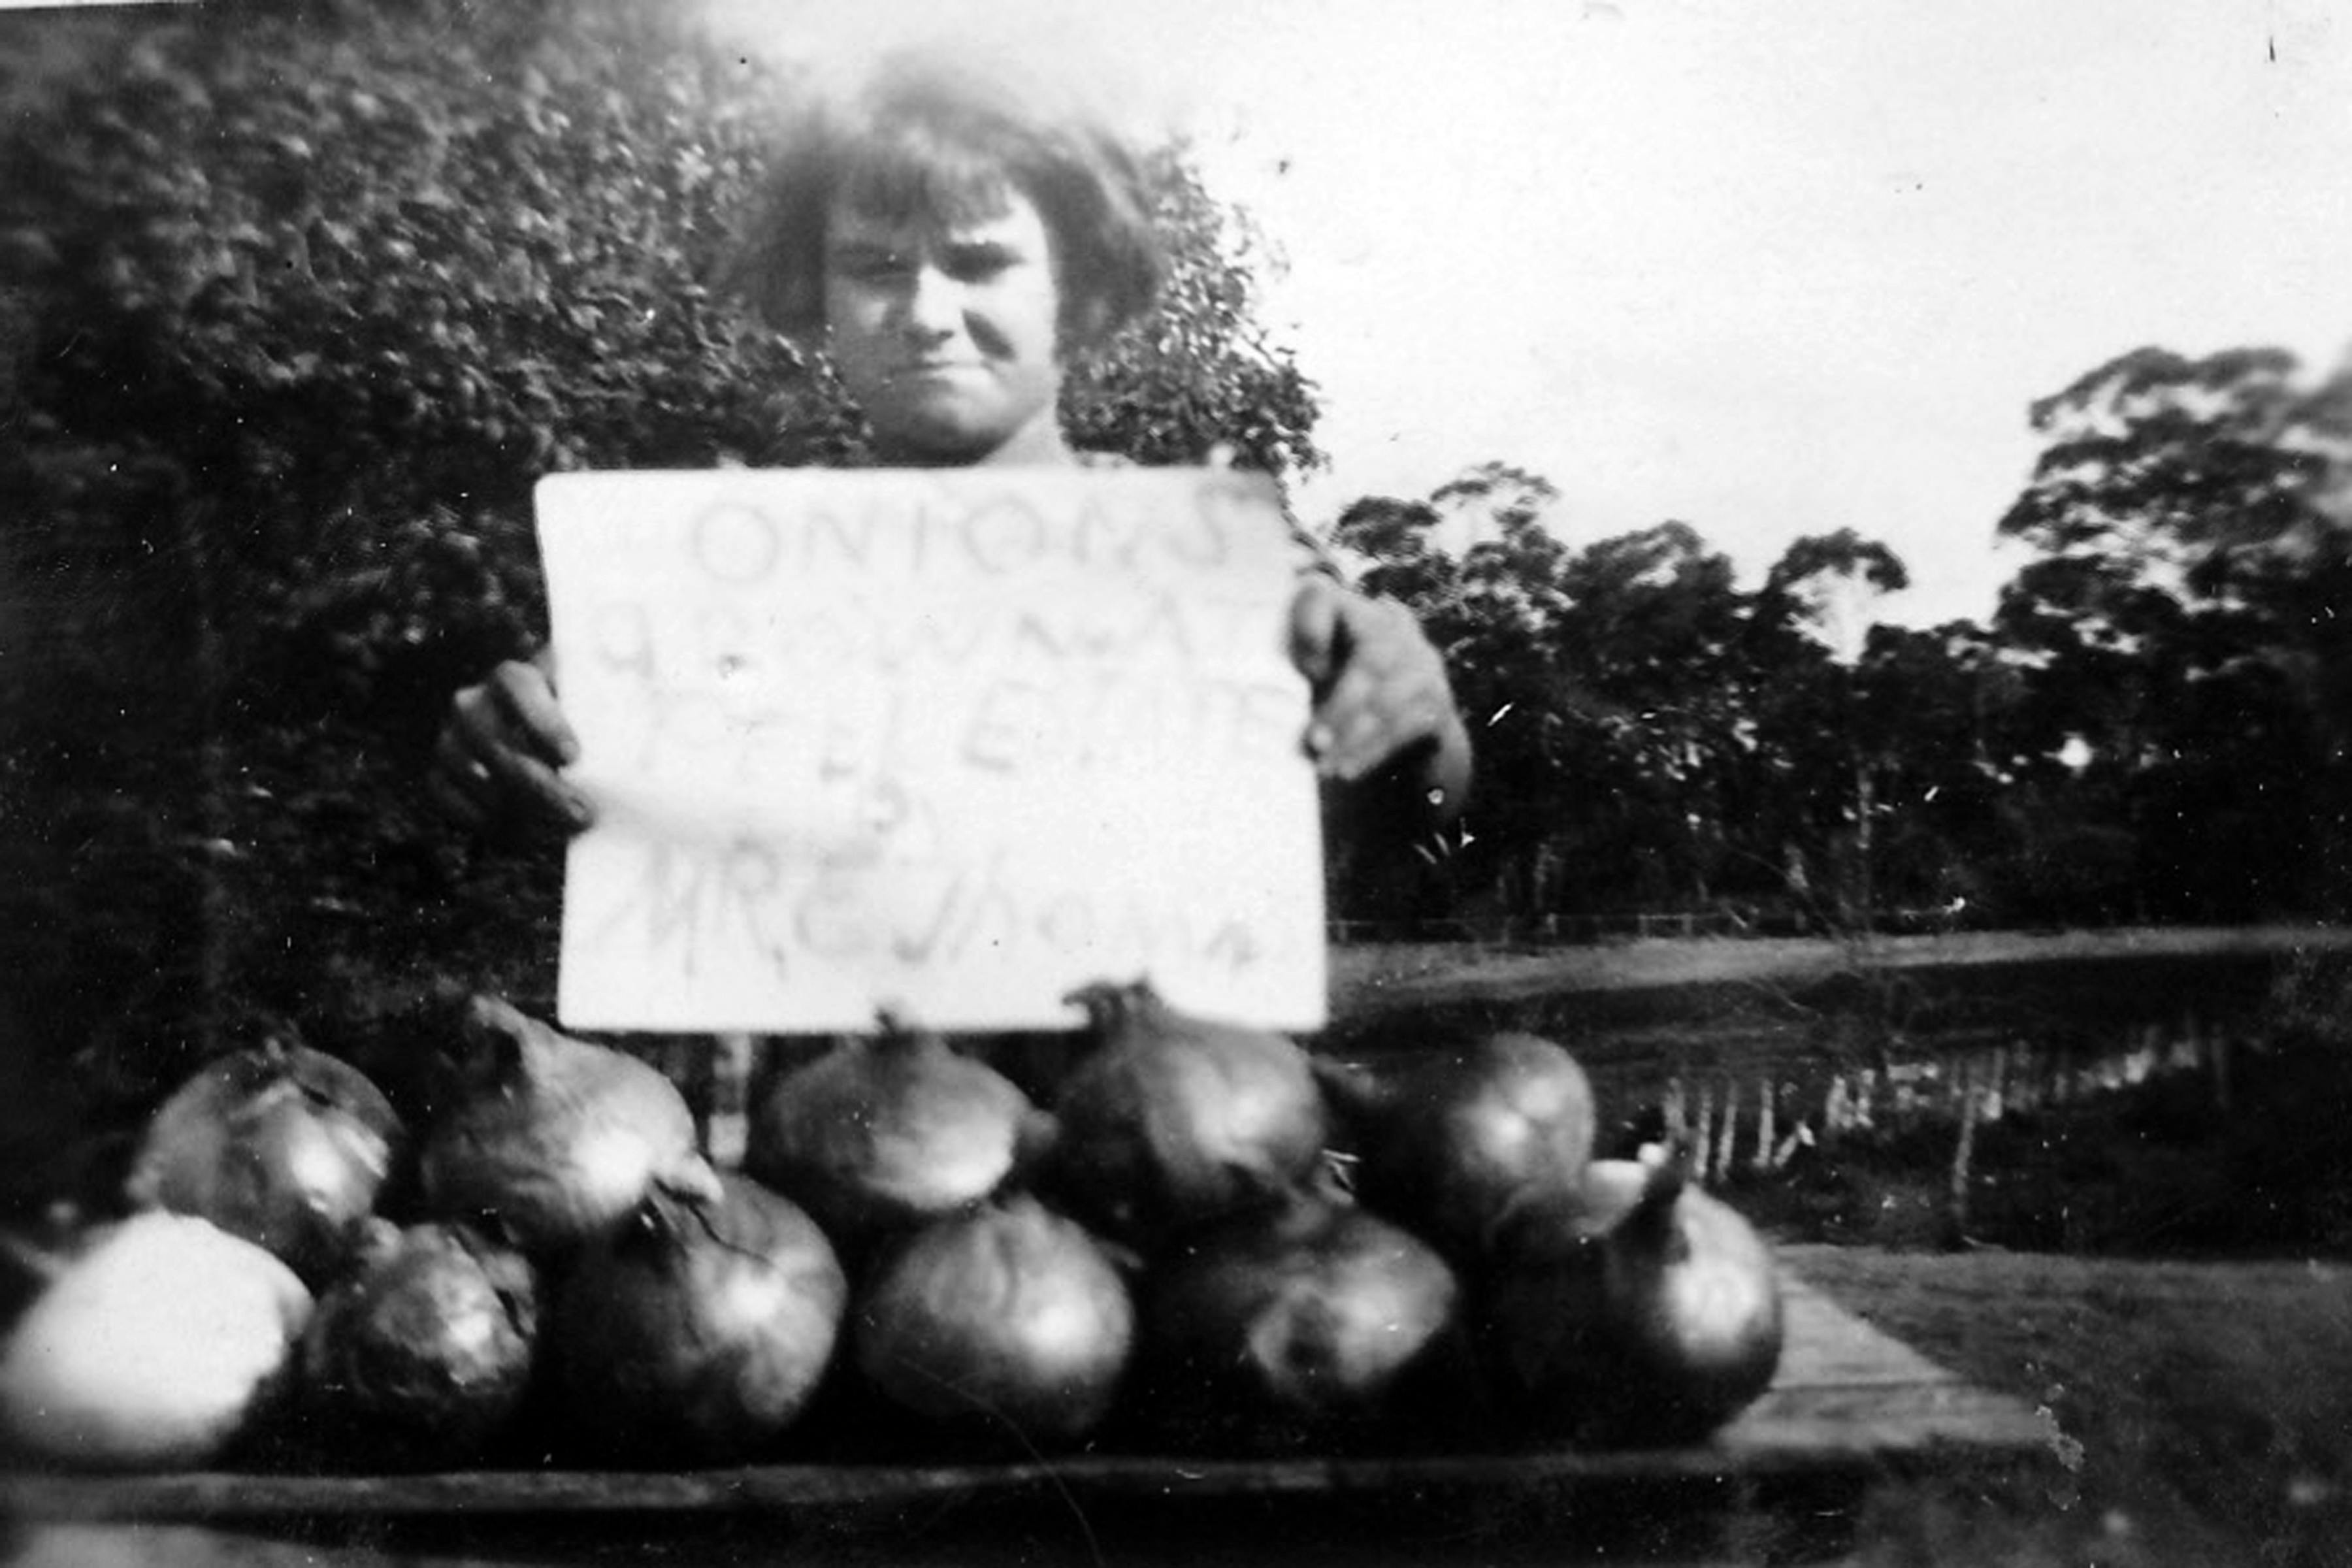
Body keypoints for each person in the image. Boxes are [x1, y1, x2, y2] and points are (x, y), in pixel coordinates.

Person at [431, 46, 1471, 853]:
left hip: (1134, 1118)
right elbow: (562, 764)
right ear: (820, 294)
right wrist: (500, 746)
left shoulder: (1215, 562)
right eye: (876, 266)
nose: (925, 313)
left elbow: (1411, 805)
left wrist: (1416, 720)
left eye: (979, 263)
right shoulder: (712, 572)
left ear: (1084, 289)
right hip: (797, 1122)